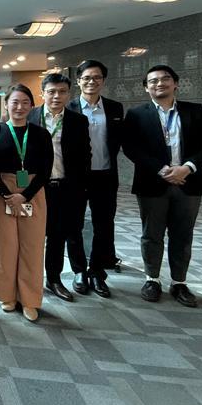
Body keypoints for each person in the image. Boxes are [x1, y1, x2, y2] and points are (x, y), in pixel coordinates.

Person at [123, 65, 202, 307]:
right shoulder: (136, 114)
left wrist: (187, 167)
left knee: (183, 235)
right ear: (146, 88)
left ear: (176, 83)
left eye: (165, 79)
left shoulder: (195, 111)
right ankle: (152, 279)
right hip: (152, 183)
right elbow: (131, 147)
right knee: (151, 234)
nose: (159, 83)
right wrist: (162, 169)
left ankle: (179, 283)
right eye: (153, 81)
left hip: (188, 182)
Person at [0, 84, 52, 322]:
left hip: (33, 192)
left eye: (25, 102)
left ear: (32, 106)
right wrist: (8, 194)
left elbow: (46, 171)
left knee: (32, 248)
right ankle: (7, 296)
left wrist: (24, 196)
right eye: (14, 102)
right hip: (1, 192)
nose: (19, 107)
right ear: (6, 104)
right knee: (4, 248)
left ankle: (29, 300)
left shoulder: (41, 134)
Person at [28, 73, 91, 304]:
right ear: (42, 93)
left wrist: (81, 187)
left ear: (69, 94)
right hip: (36, 188)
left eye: (62, 91)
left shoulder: (78, 121)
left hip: (66, 188)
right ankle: (29, 280)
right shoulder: (30, 117)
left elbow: (85, 156)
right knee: (33, 236)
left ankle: (53, 279)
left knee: (58, 236)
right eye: (51, 91)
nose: (56, 96)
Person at [65, 59, 124, 295]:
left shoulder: (115, 108)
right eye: (87, 78)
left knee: (104, 225)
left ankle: (97, 272)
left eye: (97, 77)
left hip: (105, 176)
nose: (92, 81)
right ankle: (79, 270)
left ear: (103, 81)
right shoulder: (68, 108)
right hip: (76, 178)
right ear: (78, 81)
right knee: (74, 225)